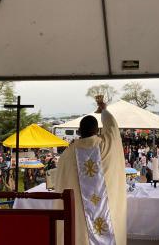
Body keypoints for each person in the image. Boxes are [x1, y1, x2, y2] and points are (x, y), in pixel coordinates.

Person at [54, 98, 126, 245]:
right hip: (105, 212)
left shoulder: (67, 155)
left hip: (79, 217)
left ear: (79, 131)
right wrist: (104, 110)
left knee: (80, 234)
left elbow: (60, 180)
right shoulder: (106, 146)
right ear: (97, 130)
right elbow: (112, 128)